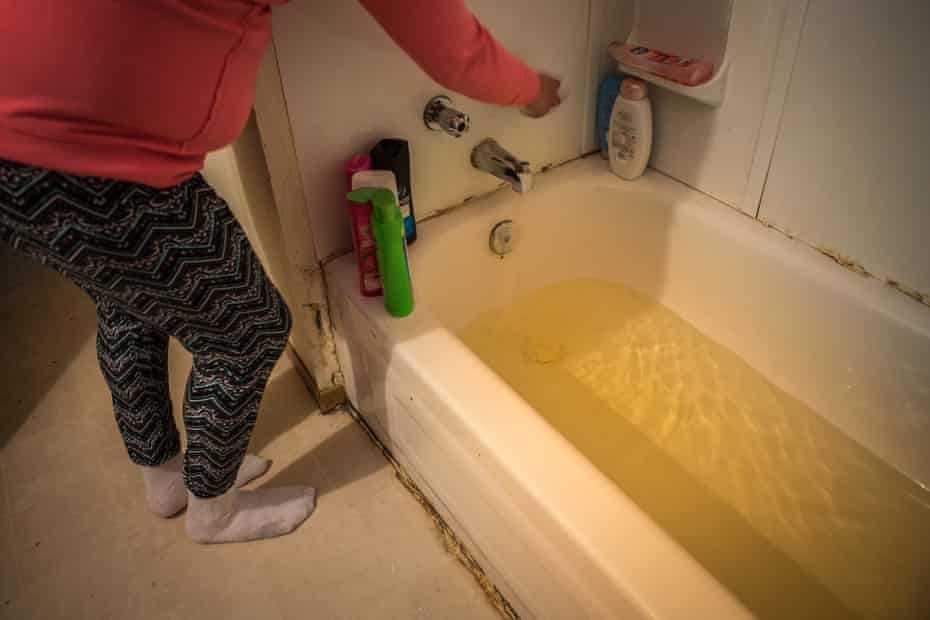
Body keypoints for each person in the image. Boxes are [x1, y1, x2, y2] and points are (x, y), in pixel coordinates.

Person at [0, 0, 560, 544]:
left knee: (128, 304)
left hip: (27, 144)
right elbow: (454, 48)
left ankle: (163, 476)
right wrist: (532, 90)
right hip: (94, 165)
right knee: (248, 332)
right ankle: (212, 512)